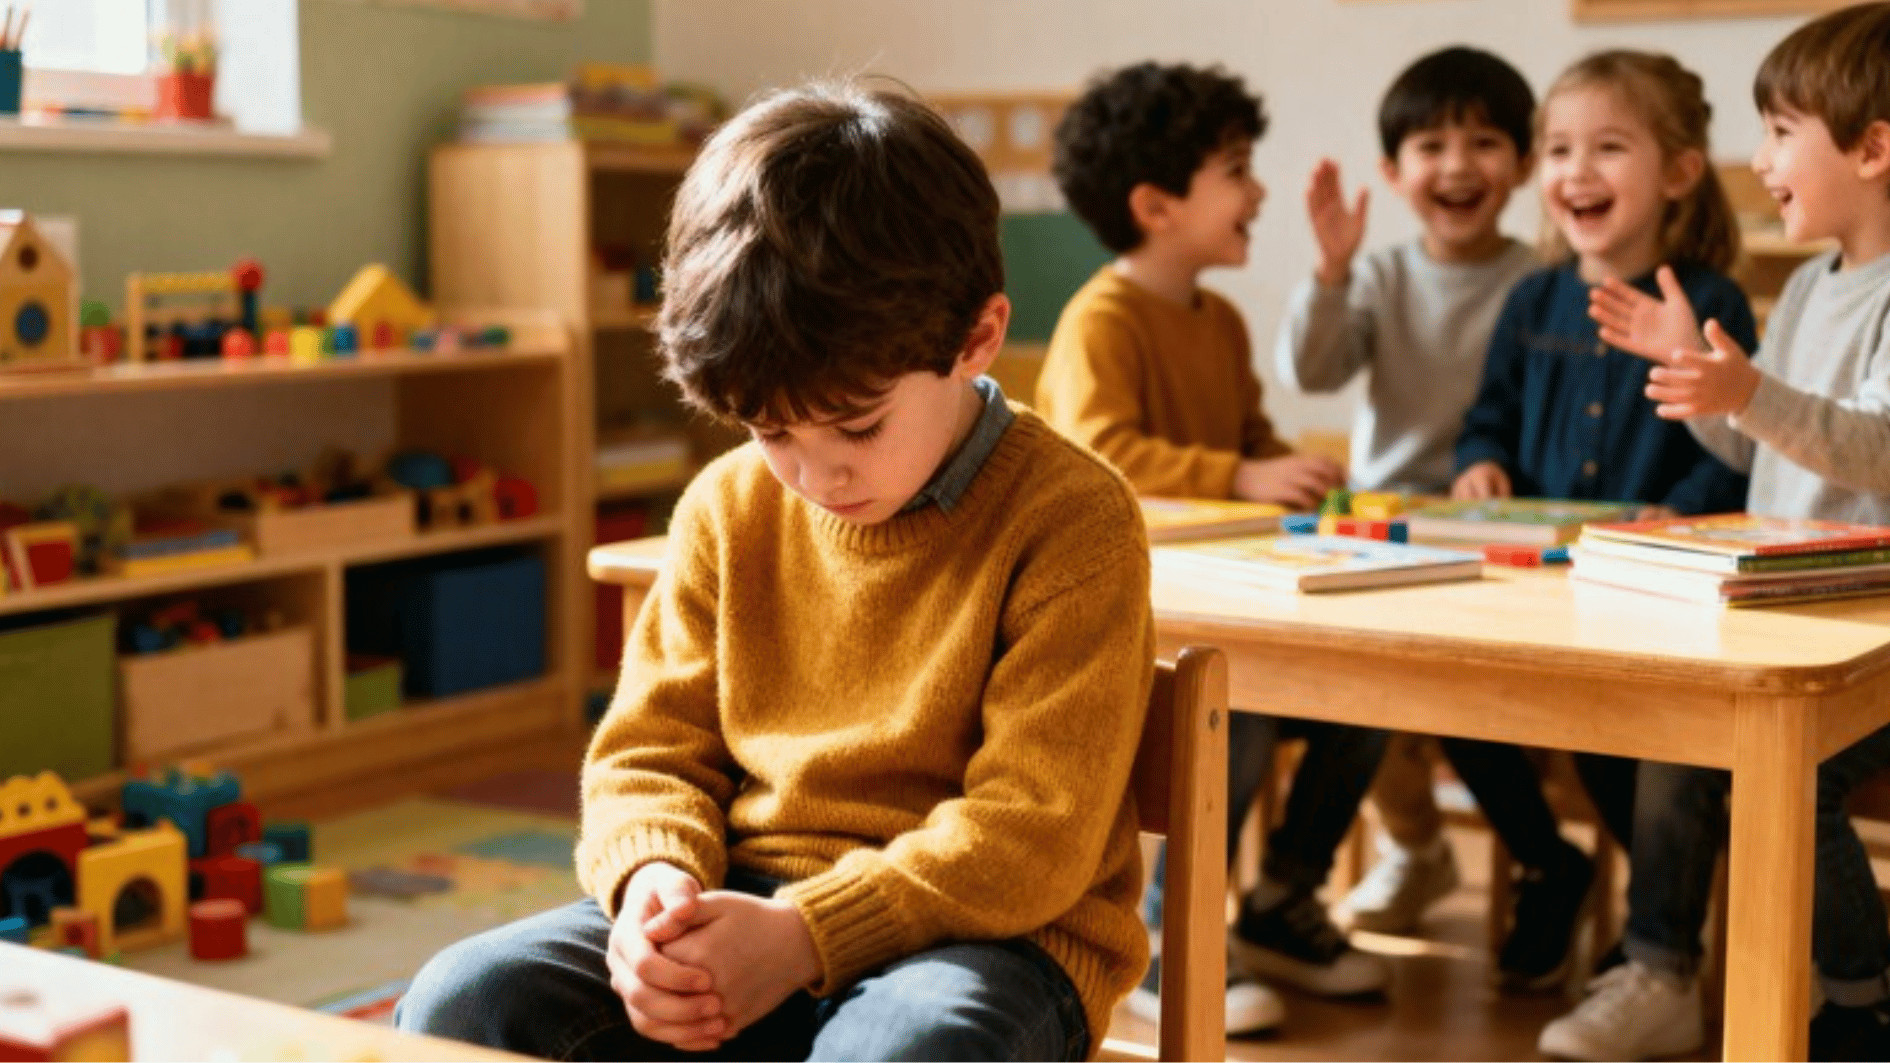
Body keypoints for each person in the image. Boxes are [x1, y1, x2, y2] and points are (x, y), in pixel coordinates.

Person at [395, 79, 1158, 1062]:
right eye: (771, 429)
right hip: (743, 901)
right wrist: (652, 884)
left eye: (856, 425)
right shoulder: (727, 505)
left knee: (899, 1051)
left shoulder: (1073, 519)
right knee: (465, 1000)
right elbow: (647, 753)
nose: (815, 472)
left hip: (990, 937)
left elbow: (1031, 836)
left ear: (976, 338)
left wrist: (806, 935)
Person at [1546, 7, 1890, 1059]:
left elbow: (1875, 452)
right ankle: (1658, 969)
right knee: (1680, 726)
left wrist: (1747, 392)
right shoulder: (1805, 291)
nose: (1763, 157)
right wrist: (1709, 390)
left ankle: (1862, 994)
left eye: (1783, 131)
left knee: (1778, 768)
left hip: (1866, 630)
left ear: (1874, 147)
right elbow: (1770, 458)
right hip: (1787, 605)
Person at [1039, 61, 1386, 1038]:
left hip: (1241, 591)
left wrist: (1307, 475)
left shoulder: (1221, 321)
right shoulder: (1102, 320)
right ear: (1156, 205)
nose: (1260, 190)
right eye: (1236, 169)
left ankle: (1283, 899)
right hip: (1157, 613)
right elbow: (1101, 456)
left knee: (1365, 702)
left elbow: (1253, 440)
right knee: (1244, 725)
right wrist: (1236, 474)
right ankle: (1166, 937)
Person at [1444, 47, 1755, 996]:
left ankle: (1663, 920)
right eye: (1559, 148)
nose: (1575, 171)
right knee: (1452, 689)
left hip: (1651, 586)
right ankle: (1550, 860)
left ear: (1680, 173)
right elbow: (1487, 414)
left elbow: (1735, 446)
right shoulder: (1531, 298)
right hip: (1532, 574)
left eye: (1608, 147)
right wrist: (1477, 462)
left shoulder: (1710, 303)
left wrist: (1687, 515)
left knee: (1629, 738)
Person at [1273, 44, 1539, 938]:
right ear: (1393, 172)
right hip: (1382, 525)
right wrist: (1330, 271)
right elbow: (1310, 370)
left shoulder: (1540, 281)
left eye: (1485, 141)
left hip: (1497, 527)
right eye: (1431, 145)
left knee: (1467, 695)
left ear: (1526, 163)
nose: (1458, 164)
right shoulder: (1380, 274)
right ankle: (1417, 844)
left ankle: (1515, 853)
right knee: (1355, 681)